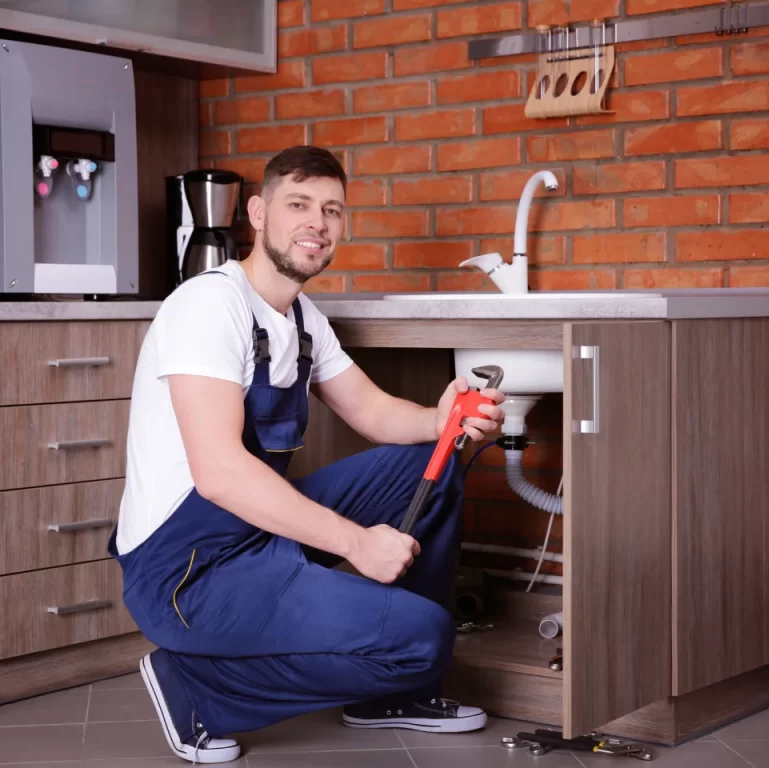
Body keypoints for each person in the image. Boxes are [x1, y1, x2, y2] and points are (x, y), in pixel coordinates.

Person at [107, 145, 505, 764]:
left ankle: (390, 697)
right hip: (186, 573)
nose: (317, 222)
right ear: (259, 213)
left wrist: (440, 418)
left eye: (332, 210)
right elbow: (218, 474)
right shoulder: (208, 305)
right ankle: (199, 688)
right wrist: (355, 543)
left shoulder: (300, 317)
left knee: (431, 457)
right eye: (299, 204)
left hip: (250, 534)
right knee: (424, 638)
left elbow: (371, 413)